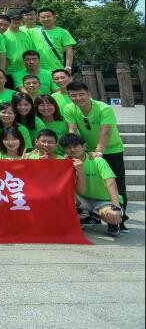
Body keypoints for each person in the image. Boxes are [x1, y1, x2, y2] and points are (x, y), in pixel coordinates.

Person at [62, 81, 126, 230]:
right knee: (87, 180)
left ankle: (118, 220)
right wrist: (71, 149)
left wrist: (99, 152)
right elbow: (72, 130)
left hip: (111, 149)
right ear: (69, 96)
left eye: (81, 94)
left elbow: (105, 132)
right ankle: (94, 216)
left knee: (117, 184)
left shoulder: (104, 108)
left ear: (89, 94)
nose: (78, 98)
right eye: (73, 95)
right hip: (87, 149)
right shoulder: (69, 108)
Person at [63, 133, 123, 235]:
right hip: (82, 199)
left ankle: (113, 223)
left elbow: (111, 183)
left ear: (84, 146)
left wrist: (115, 205)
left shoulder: (98, 161)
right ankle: (76, 221)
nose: (72, 150)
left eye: (76, 146)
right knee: (62, 195)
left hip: (104, 200)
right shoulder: (66, 162)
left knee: (114, 216)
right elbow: (80, 191)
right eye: (68, 147)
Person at [32, 8, 75, 72]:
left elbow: (69, 50)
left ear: (54, 18)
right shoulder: (32, 32)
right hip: (37, 69)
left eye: (48, 16)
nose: (46, 19)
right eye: (43, 17)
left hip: (57, 69)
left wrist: (68, 67)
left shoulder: (63, 32)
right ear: (39, 19)